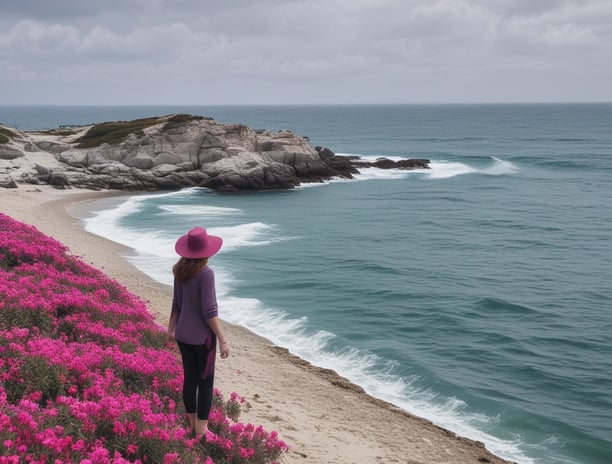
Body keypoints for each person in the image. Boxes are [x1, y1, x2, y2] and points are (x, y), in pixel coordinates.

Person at [168, 226, 229, 439]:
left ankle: (192, 424)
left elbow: (176, 303)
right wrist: (222, 339)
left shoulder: (179, 272)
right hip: (203, 340)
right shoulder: (206, 274)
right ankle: (202, 432)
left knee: (190, 380)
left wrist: (171, 329)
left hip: (183, 336)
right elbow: (209, 311)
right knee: (205, 383)